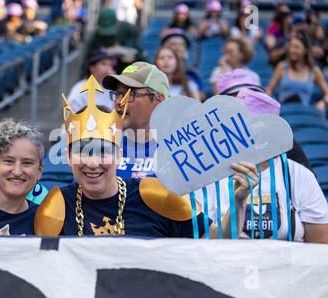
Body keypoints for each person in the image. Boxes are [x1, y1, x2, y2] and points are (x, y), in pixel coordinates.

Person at [34, 75, 258, 237]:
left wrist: (239, 202)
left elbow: (219, 241)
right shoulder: (56, 206)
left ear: (119, 154)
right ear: (68, 156)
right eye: (82, 151)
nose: (93, 162)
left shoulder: (156, 196)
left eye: (103, 151)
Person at [196, 89, 328, 243]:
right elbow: (205, 246)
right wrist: (237, 204)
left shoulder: (298, 175)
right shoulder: (209, 177)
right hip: (230, 264)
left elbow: (320, 248)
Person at [217, 68, 312, 171]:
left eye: (251, 93)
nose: (243, 98)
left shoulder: (283, 138)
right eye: (234, 94)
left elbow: (307, 177)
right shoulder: (215, 143)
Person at [103, 61, 168, 179]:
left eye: (130, 94)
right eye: (117, 94)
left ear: (159, 100)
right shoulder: (103, 144)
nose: (119, 102)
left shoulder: (178, 149)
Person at [266, 30, 328, 112]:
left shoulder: (314, 70)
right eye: (291, 47)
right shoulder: (282, 66)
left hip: (304, 114)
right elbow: (269, 90)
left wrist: (323, 102)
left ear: (305, 50)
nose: (292, 51)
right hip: (284, 113)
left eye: (297, 47)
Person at [83, 7, 145, 74]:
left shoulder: (126, 29)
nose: (107, 36)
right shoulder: (94, 36)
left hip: (124, 70)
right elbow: (88, 59)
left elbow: (140, 54)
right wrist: (106, 51)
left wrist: (131, 58)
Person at [67, 48, 116, 113]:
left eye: (110, 65)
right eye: (104, 64)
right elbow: (73, 119)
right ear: (91, 67)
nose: (108, 69)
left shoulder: (111, 89)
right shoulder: (79, 90)